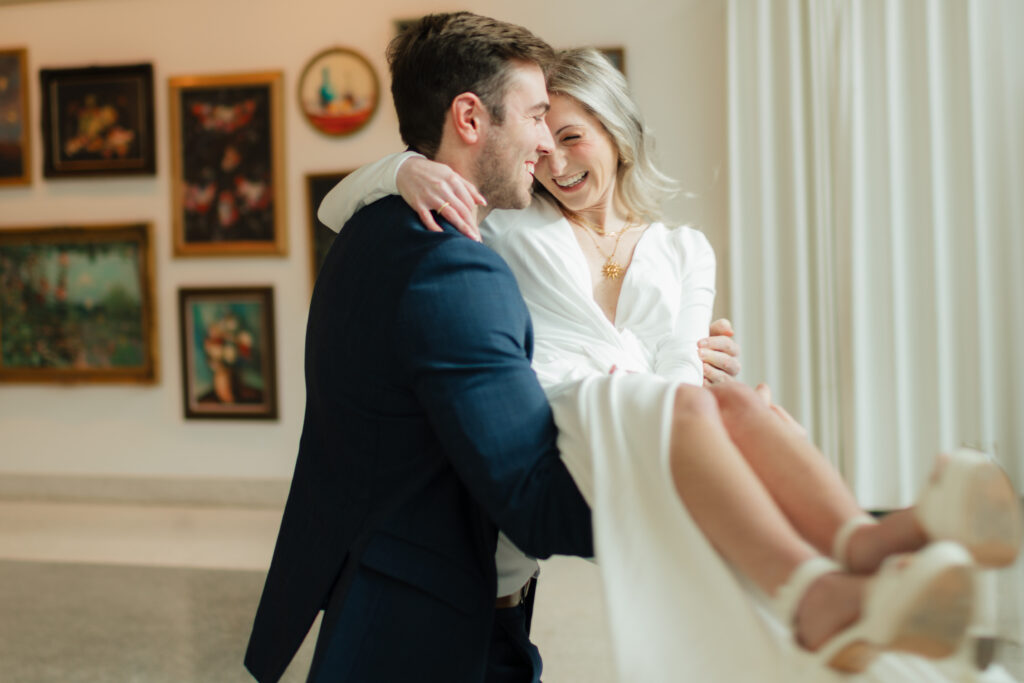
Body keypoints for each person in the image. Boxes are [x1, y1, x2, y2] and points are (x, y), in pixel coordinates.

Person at [319, 44, 1023, 682]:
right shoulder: (508, 219)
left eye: (573, 137)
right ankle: (825, 588)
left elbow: (684, 368)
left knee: (738, 401)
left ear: (616, 133)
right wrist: (405, 167)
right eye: (544, 143)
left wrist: (713, 408)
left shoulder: (684, 249)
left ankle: (868, 541)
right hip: (552, 408)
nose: (556, 164)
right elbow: (337, 203)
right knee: (706, 409)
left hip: (642, 405)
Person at [244, 15, 597, 683]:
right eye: (536, 116)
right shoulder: (454, 268)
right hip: (429, 634)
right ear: (470, 117)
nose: (547, 142)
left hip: (376, 606)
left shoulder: (374, 226)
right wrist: (698, 501)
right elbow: (534, 500)